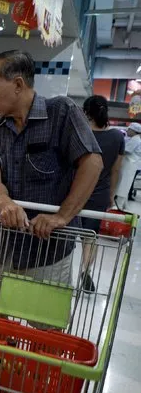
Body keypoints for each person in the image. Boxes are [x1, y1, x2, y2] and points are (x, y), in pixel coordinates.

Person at [0, 50, 103, 313]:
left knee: (43, 329)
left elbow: (92, 163)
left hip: (47, 252)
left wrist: (62, 216)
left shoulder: (62, 113)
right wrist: (4, 202)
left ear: (18, 85)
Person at [80, 96, 125, 292]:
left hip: (73, 192)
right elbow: (116, 170)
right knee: (90, 237)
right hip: (99, 195)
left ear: (86, 113)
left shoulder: (80, 134)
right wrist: (111, 195)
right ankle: (85, 271)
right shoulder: (117, 137)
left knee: (62, 233)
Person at [114, 122, 141, 206]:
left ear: (134, 131)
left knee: (123, 184)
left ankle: (118, 204)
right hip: (129, 165)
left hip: (129, 165)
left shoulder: (136, 139)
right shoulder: (135, 138)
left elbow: (126, 150)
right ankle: (122, 204)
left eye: (129, 129)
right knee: (124, 184)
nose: (127, 131)